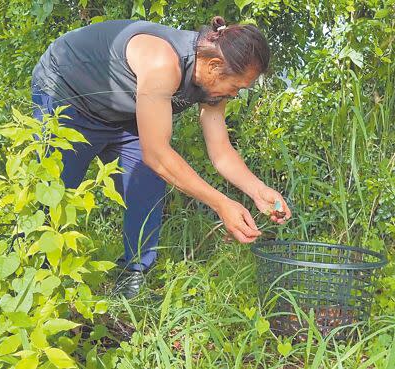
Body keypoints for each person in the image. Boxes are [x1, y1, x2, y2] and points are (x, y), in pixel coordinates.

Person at [31, 16, 291, 299]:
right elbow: (157, 154)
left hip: (123, 110)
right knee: (53, 191)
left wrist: (258, 190)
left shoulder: (214, 78)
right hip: (69, 93)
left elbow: (221, 151)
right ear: (215, 67)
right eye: (237, 87)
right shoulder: (163, 63)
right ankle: (33, 277)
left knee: (147, 185)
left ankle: (132, 280)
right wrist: (221, 204)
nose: (236, 93)